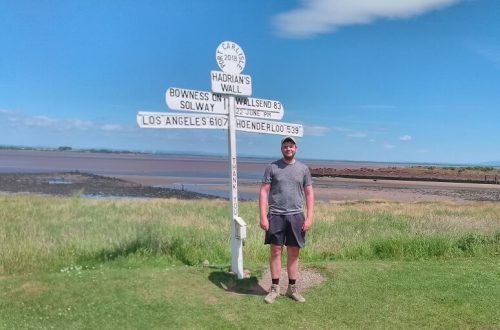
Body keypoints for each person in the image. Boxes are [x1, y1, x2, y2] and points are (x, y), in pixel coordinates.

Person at [259, 136, 314, 304]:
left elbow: (309, 193)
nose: (288, 149)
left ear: (295, 148)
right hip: (275, 215)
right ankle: (274, 288)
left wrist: (310, 217)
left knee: (294, 252)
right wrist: (263, 216)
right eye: (285, 146)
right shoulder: (272, 167)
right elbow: (263, 191)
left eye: (291, 146)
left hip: (296, 216)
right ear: (281, 149)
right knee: (275, 251)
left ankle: (292, 288)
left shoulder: (303, 169)